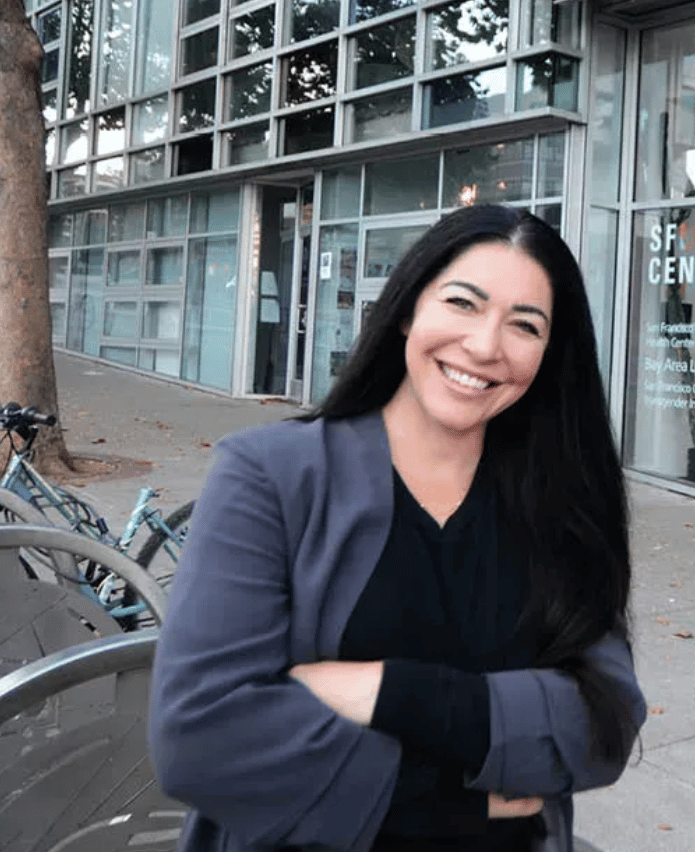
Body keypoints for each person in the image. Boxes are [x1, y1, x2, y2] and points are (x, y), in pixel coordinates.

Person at [148, 204, 647, 852]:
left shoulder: (557, 502)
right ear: (410, 308)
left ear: (549, 354)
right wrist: (464, 799)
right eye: (464, 303)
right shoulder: (271, 475)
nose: (485, 345)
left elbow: (604, 721)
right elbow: (199, 739)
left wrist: (394, 692)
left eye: (524, 325)